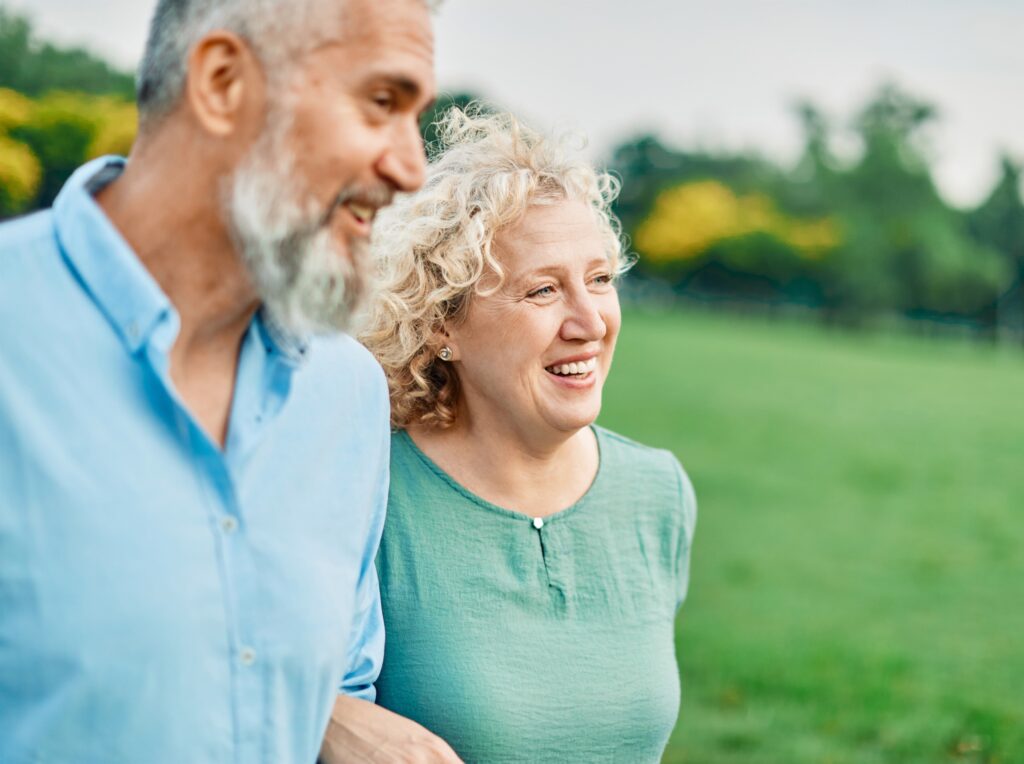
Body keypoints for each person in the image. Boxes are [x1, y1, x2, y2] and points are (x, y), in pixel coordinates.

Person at [0, 0, 460, 761]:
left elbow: (333, 691)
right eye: (382, 103)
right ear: (221, 82)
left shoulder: (345, 392)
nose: (411, 168)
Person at [360, 108, 698, 763]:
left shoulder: (661, 494)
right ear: (442, 328)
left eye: (599, 280)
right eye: (543, 290)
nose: (590, 322)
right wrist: (330, 717)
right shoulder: (371, 498)